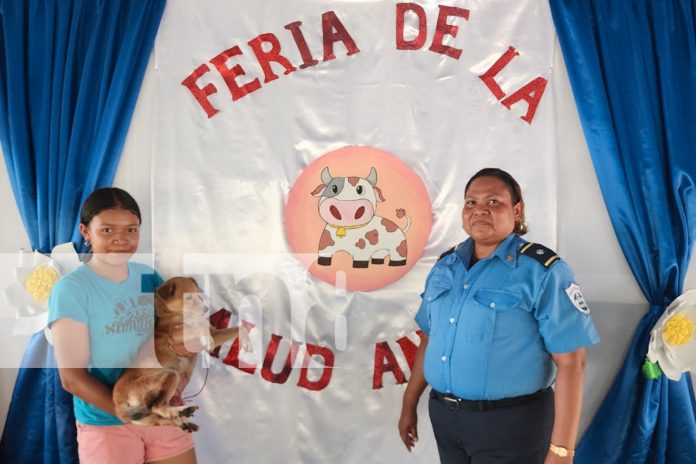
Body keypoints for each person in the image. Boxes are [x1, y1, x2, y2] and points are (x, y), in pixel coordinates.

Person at [398, 168, 600, 463]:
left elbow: (572, 363)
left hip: (511, 425)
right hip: (445, 418)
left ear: (517, 211)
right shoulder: (445, 266)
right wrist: (409, 401)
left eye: (493, 202)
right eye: (471, 202)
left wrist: (562, 451)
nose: (480, 210)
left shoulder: (542, 271)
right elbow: (430, 338)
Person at [49, 187, 198, 464]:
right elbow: (72, 378)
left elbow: (170, 334)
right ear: (85, 232)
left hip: (162, 412)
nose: (121, 239)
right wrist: (135, 416)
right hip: (107, 421)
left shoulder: (147, 278)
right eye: (107, 230)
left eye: (131, 230)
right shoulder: (72, 290)